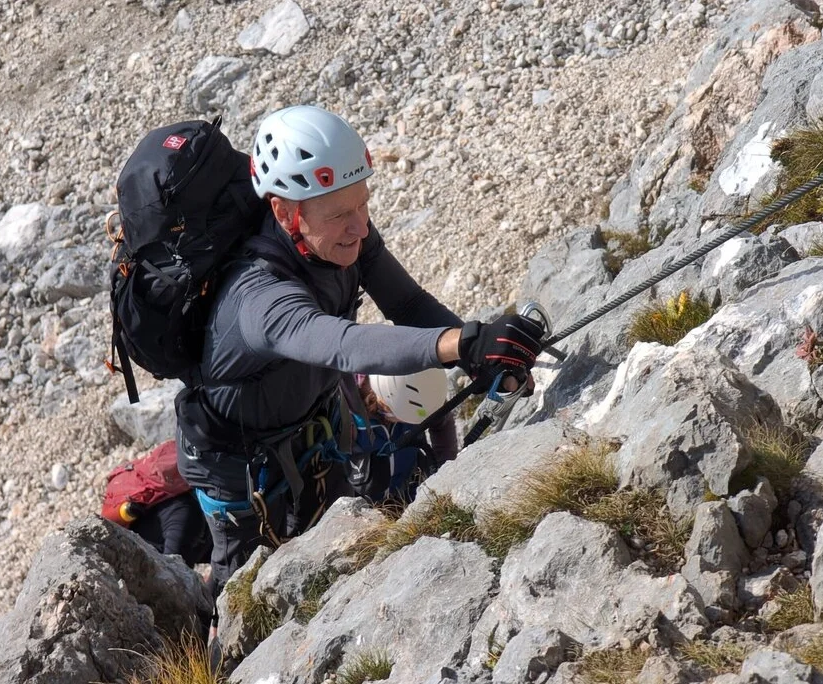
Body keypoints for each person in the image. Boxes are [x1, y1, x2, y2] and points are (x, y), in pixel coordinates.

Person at [173, 104, 546, 613]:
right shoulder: (256, 297)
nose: (359, 226)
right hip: (238, 470)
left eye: (363, 205)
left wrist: (477, 352)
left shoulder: (343, 237)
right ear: (286, 213)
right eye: (340, 214)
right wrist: (462, 344)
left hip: (313, 424)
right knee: (248, 602)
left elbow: (409, 305)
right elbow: (343, 343)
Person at [350, 370, 459, 504]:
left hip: (407, 494)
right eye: (405, 417)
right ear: (383, 403)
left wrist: (444, 471)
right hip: (356, 508)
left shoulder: (422, 389)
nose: (409, 421)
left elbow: (442, 421)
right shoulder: (346, 409)